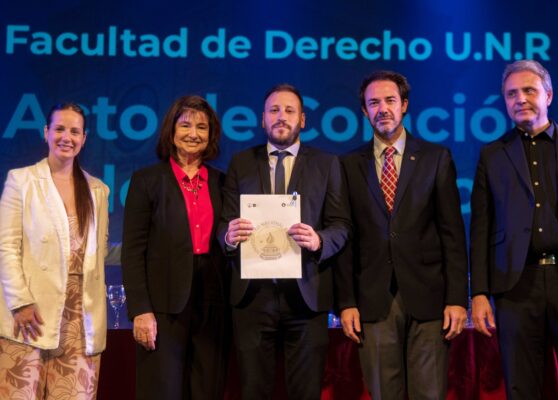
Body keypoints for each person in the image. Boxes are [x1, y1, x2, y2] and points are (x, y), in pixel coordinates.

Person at [334, 70, 469, 400]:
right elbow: (345, 239)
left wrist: (457, 298)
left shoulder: (436, 158)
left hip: (429, 298)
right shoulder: (347, 165)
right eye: (374, 103)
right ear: (364, 111)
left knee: (430, 394)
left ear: (404, 105)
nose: (382, 109)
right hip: (373, 300)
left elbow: (452, 234)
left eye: (390, 100)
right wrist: (346, 303)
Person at [470, 60, 558, 400]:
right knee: (522, 389)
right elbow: (481, 228)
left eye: (529, 90)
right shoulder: (492, 156)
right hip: (516, 288)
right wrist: (479, 293)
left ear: (549, 95)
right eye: (511, 94)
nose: (520, 99)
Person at [219, 83, 351, 400]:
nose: (281, 117)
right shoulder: (241, 162)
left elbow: (341, 225)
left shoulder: (327, 163)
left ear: (302, 119)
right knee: (254, 391)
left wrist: (319, 240)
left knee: (306, 393)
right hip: (253, 298)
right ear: (262, 119)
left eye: (289, 111)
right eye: (274, 110)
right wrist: (228, 236)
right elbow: (224, 222)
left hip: (307, 296)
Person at [121, 95, 229, 399]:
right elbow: (133, 251)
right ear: (171, 131)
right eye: (185, 125)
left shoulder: (223, 183)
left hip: (213, 305)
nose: (193, 133)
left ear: (211, 135)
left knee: (207, 390)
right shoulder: (146, 180)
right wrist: (140, 310)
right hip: (162, 308)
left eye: (202, 127)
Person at [0, 102, 110, 399]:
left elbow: (98, 252)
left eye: (75, 131)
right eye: (59, 129)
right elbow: (6, 247)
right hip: (31, 315)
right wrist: (20, 302)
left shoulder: (98, 190)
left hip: (80, 319)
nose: (67, 137)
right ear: (46, 132)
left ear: (84, 138)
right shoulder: (21, 181)